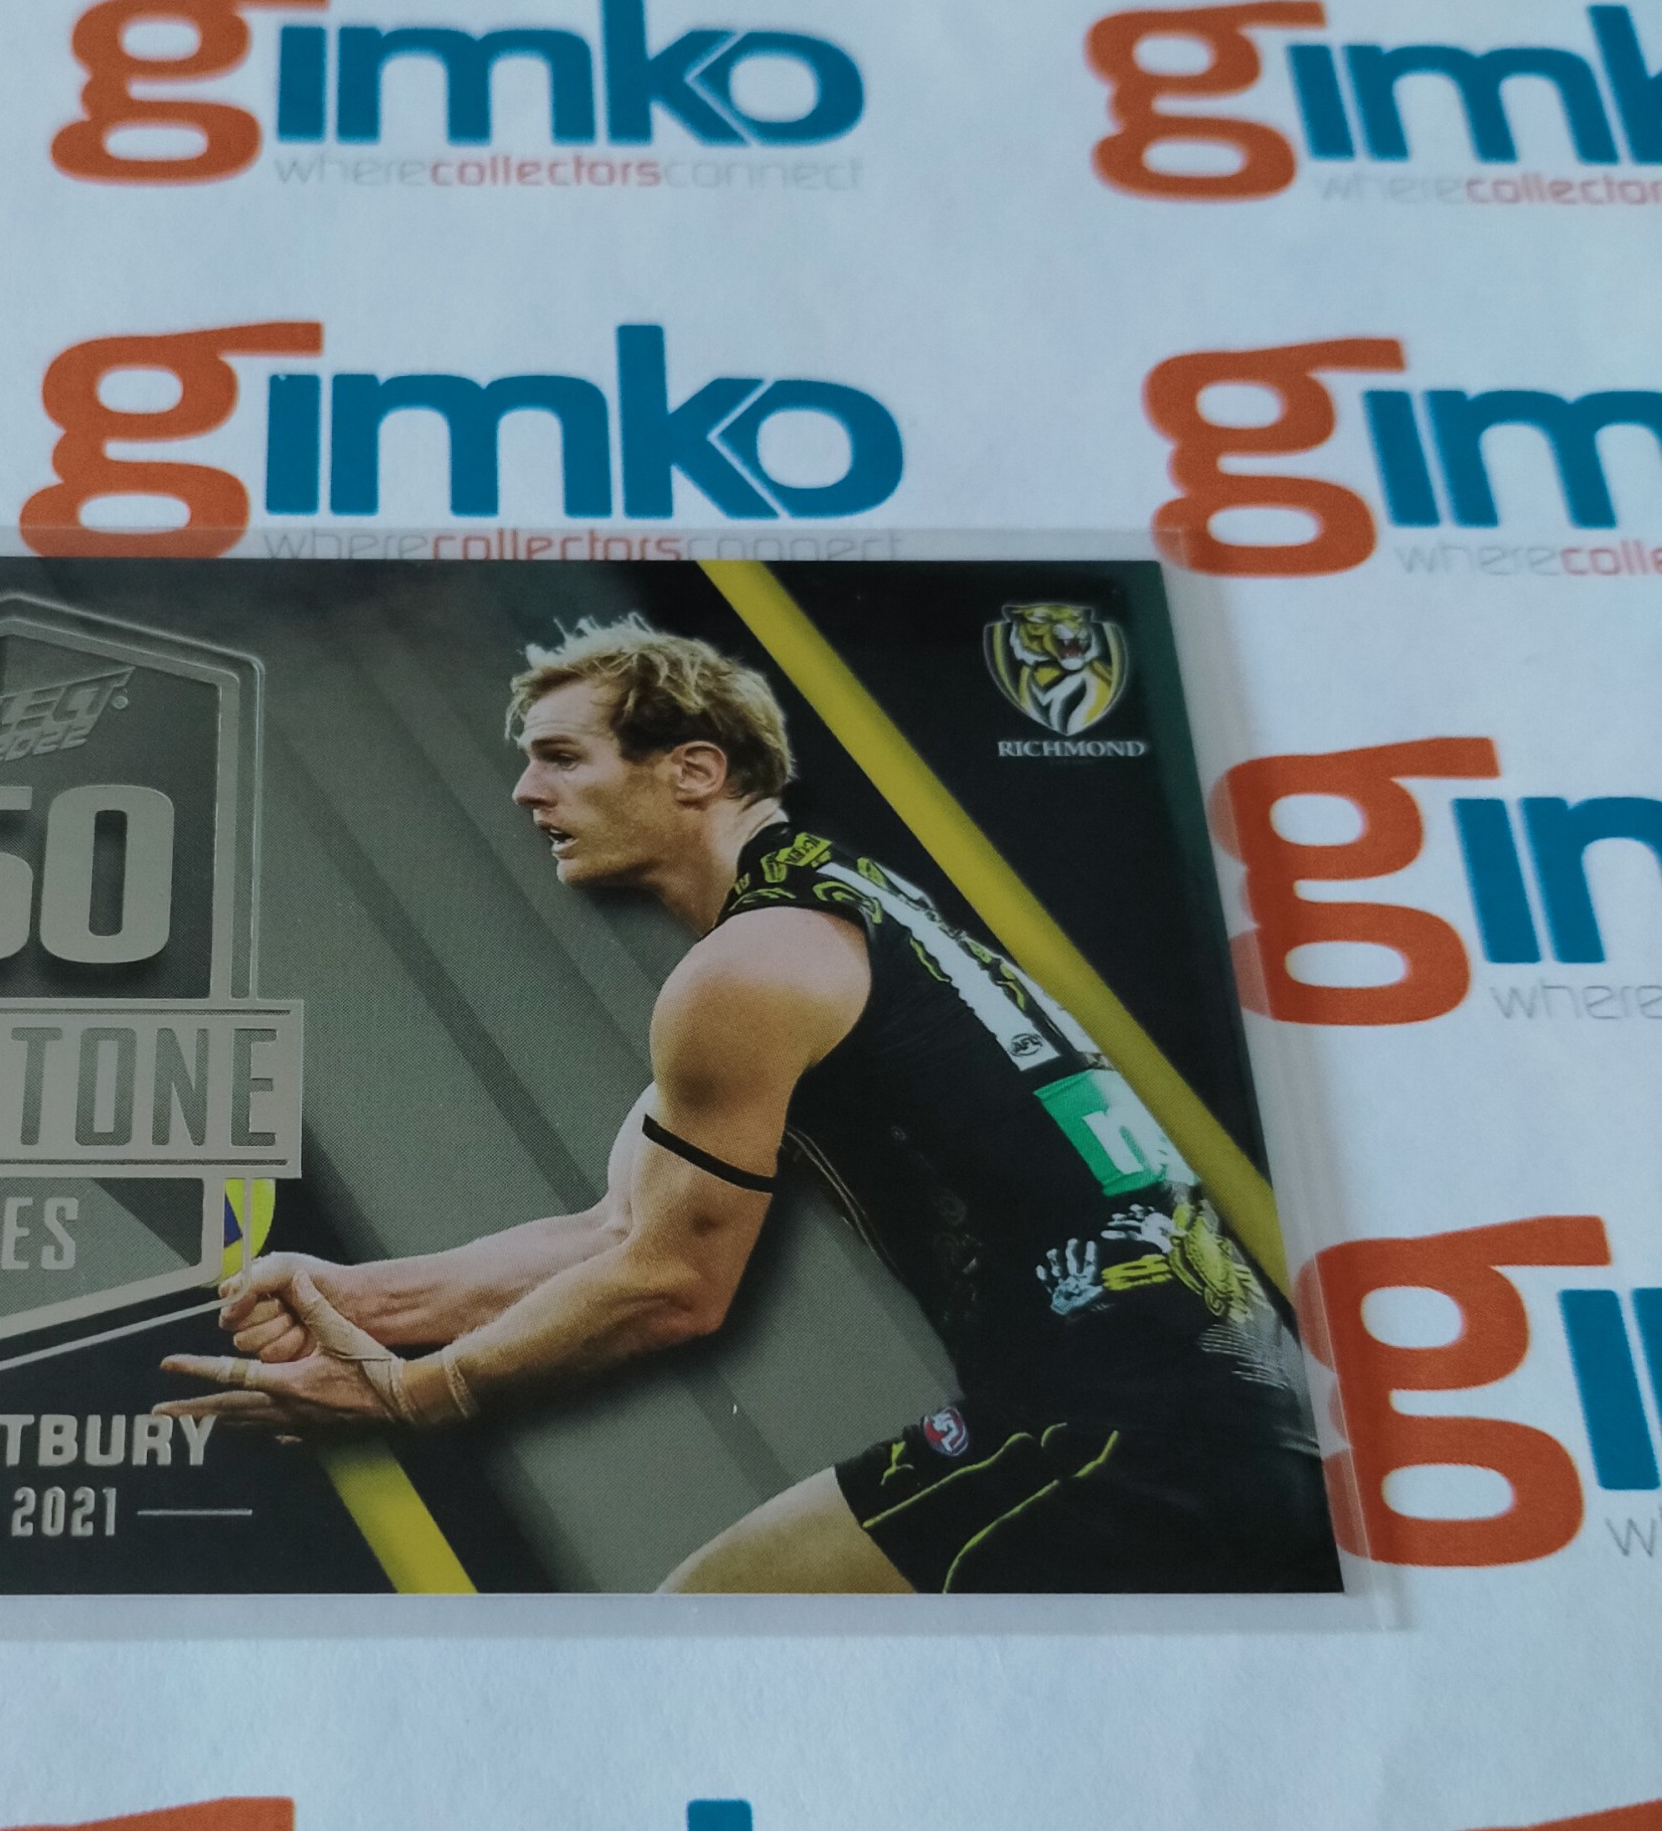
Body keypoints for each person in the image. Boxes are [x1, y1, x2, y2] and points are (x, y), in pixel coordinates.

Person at [158, 618, 1335, 1595]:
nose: (524, 790)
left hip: (1122, 1440)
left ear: (694, 770)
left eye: (562, 756)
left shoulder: (750, 968)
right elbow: (620, 1229)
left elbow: (673, 1285)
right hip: (1225, 1419)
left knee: (696, 1633)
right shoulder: (831, 911)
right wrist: (351, 1298)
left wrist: (413, 1396)